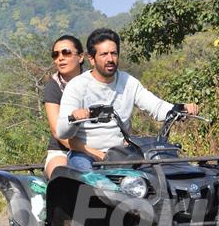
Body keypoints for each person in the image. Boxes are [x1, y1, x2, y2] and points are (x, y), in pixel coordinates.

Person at [56, 28, 198, 170]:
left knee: (158, 173)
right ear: (91, 59)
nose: (110, 59)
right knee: (87, 177)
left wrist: (181, 109)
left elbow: (157, 107)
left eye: (114, 53)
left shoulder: (128, 82)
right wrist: (74, 118)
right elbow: (62, 131)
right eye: (104, 54)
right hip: (85, 154)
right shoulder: (77, 86)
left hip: (122, 153)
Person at [42, 35, 102, 177]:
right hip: (62, 150)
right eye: (55, 55)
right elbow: (58, 132)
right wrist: (93, 152)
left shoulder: (96, 81)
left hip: (100, 146)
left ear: (81, 57)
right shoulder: (54, 86)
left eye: (66, 53)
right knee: (62, 178)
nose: (60, 58)